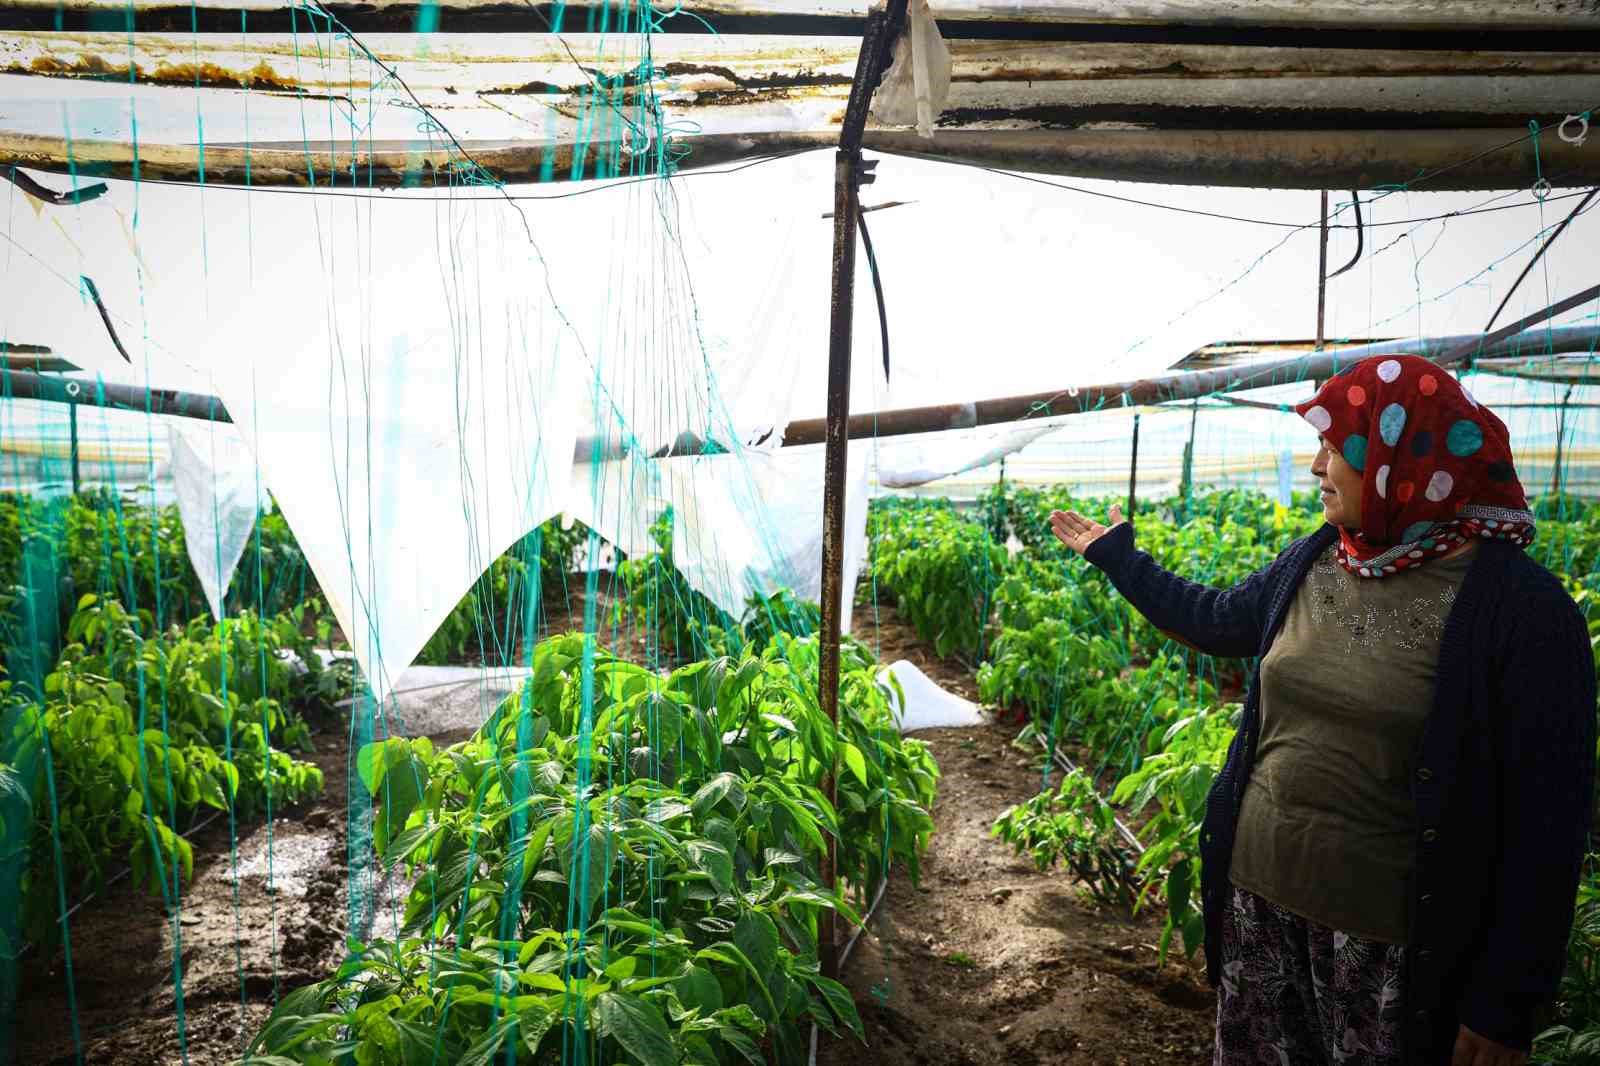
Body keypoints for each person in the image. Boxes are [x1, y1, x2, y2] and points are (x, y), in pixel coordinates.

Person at [1049, 355, 1595, 1066]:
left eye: (1335, 448)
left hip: (1391, 959)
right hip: (1260, 913)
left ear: (1400, 458)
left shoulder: (1523, 614)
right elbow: (1218, 621)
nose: (1315, 467)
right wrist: (1120, 559)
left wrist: (1505, 1002)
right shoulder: (1318, 559)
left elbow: (1546, 824)